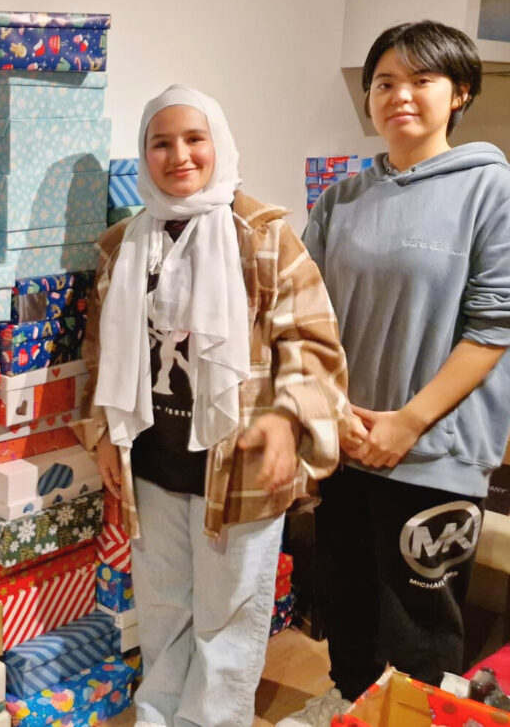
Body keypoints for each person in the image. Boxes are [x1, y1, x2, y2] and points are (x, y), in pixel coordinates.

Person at [73, 84, 351, 727]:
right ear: (143, 155)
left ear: (218, 143)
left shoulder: (262, 236)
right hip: (154, 461)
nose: (179, 155)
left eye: (194, 138)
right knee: (165, 609)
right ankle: (158, 715)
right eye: (160, 142)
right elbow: (101, 354)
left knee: (229, 621)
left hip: (239, 467)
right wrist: (107, 437)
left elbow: (313, 342)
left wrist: (286, 419)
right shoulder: (122, 246)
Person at [278, 20, 510, 727]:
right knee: (345, 610)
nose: (399, 95)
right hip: (348, 444)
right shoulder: (344, 197)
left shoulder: (493, 190)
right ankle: (357, 710)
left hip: (432, 453)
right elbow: (306, 313)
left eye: (421, 80)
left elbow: (497, 325)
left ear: (459, 92)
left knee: (420, 628)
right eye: (384, 82)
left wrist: (408, 423)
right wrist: (333, 418)